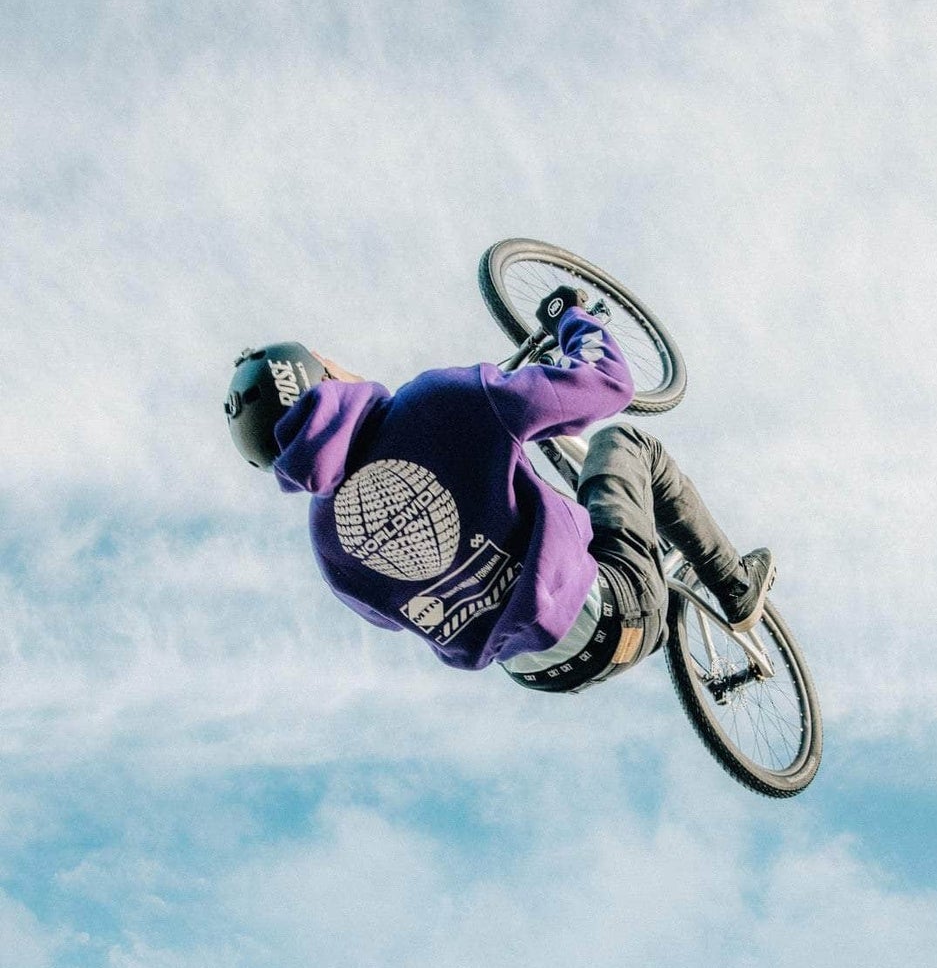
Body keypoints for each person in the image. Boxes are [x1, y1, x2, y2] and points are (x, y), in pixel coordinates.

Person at [224, 286, 774, 694]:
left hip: (545, 675)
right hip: (619, 609)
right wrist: (571, 318)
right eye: (328, 359)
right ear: (324, 375)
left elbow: (395, 614)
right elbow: (608, 382)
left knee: (537, 510)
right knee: (623, 443)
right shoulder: (432, 404)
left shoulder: (329, 551)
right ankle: (736, 588)